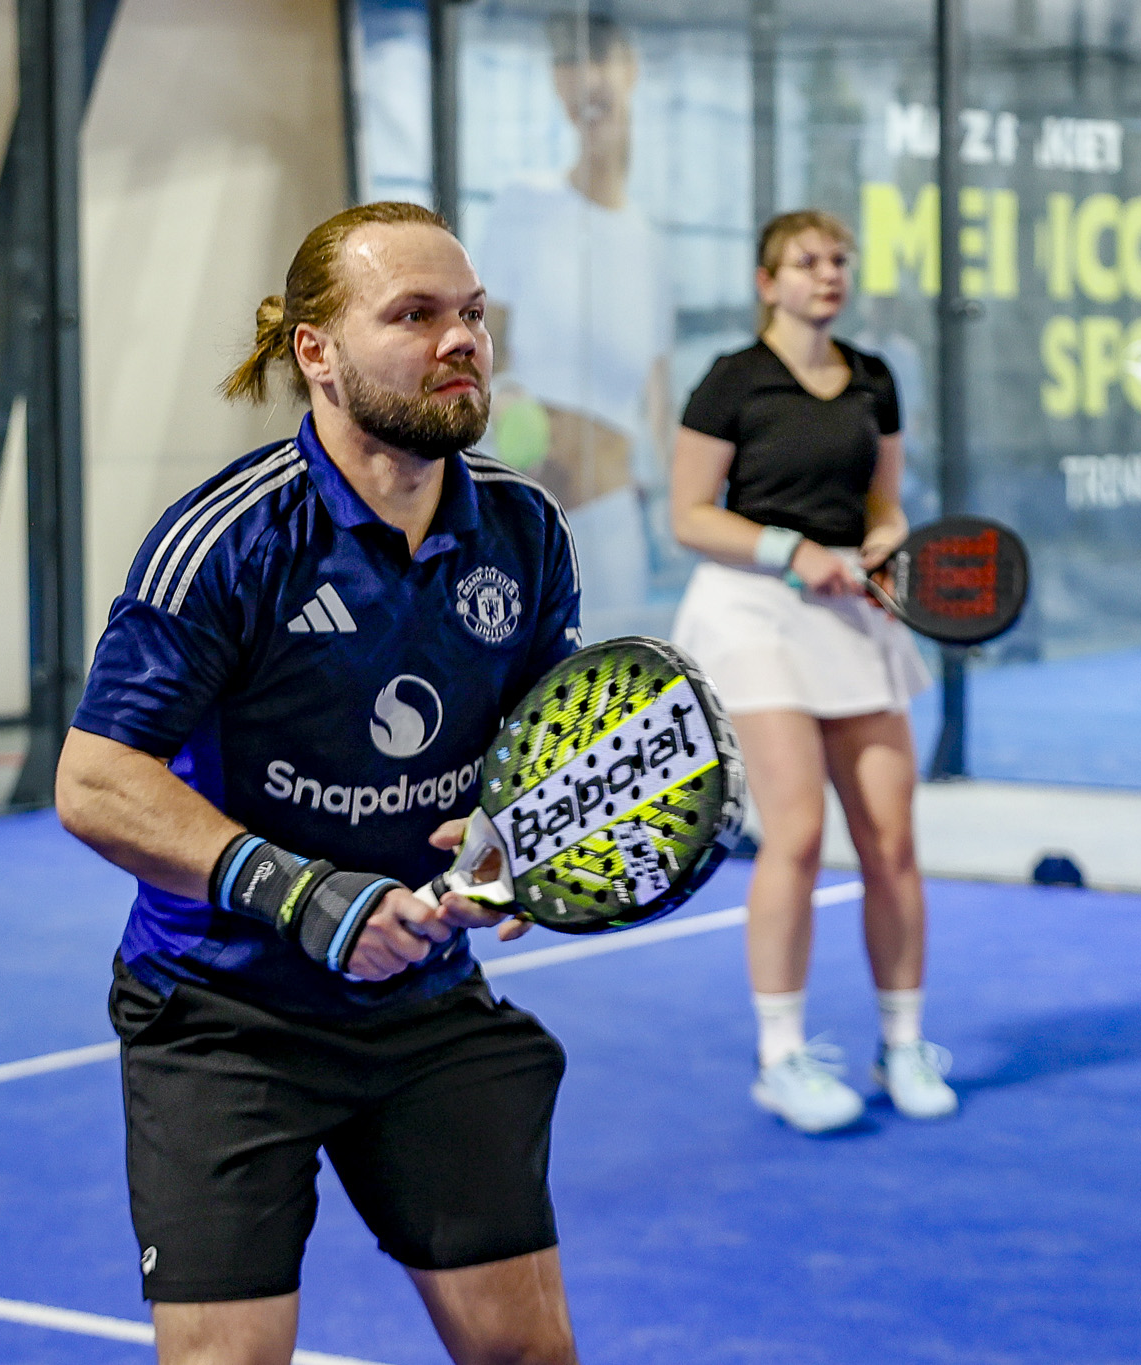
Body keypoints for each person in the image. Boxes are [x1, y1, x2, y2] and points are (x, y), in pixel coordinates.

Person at [56, 201, 584, 1365]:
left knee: (525, 1353)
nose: (462, 341)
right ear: (315, 352)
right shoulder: (226, 541)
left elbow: (542, 745)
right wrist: (303, 894)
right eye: (414, 315)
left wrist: (510, 854)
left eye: (473, 315)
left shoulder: (526, 530)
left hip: (425, 1008)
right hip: (223, 1017)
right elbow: (95, 780)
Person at [667, 208, 956, 1135]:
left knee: (893, 841)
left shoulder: (874, 377)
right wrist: (793, 550)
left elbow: (883, 498)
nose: (827, 274)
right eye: (806, 261)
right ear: (767, 282)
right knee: (794, 836)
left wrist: (882, 540)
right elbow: (689, 515)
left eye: (838, 259)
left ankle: (903, 1041)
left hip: (851, 613)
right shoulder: (730, 382)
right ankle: (780, 1057)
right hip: (752, 611)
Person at [477, 12, 673, 642]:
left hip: (614, 521)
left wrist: (676, 512)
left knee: (616, 693)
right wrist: (505, 396)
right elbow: (483, 338)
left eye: (599, 60)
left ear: (631, 70)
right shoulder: (524, 205)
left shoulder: (649, 244)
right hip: (523, 511)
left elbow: (659, 398)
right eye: (566, 65)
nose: (584, 79)